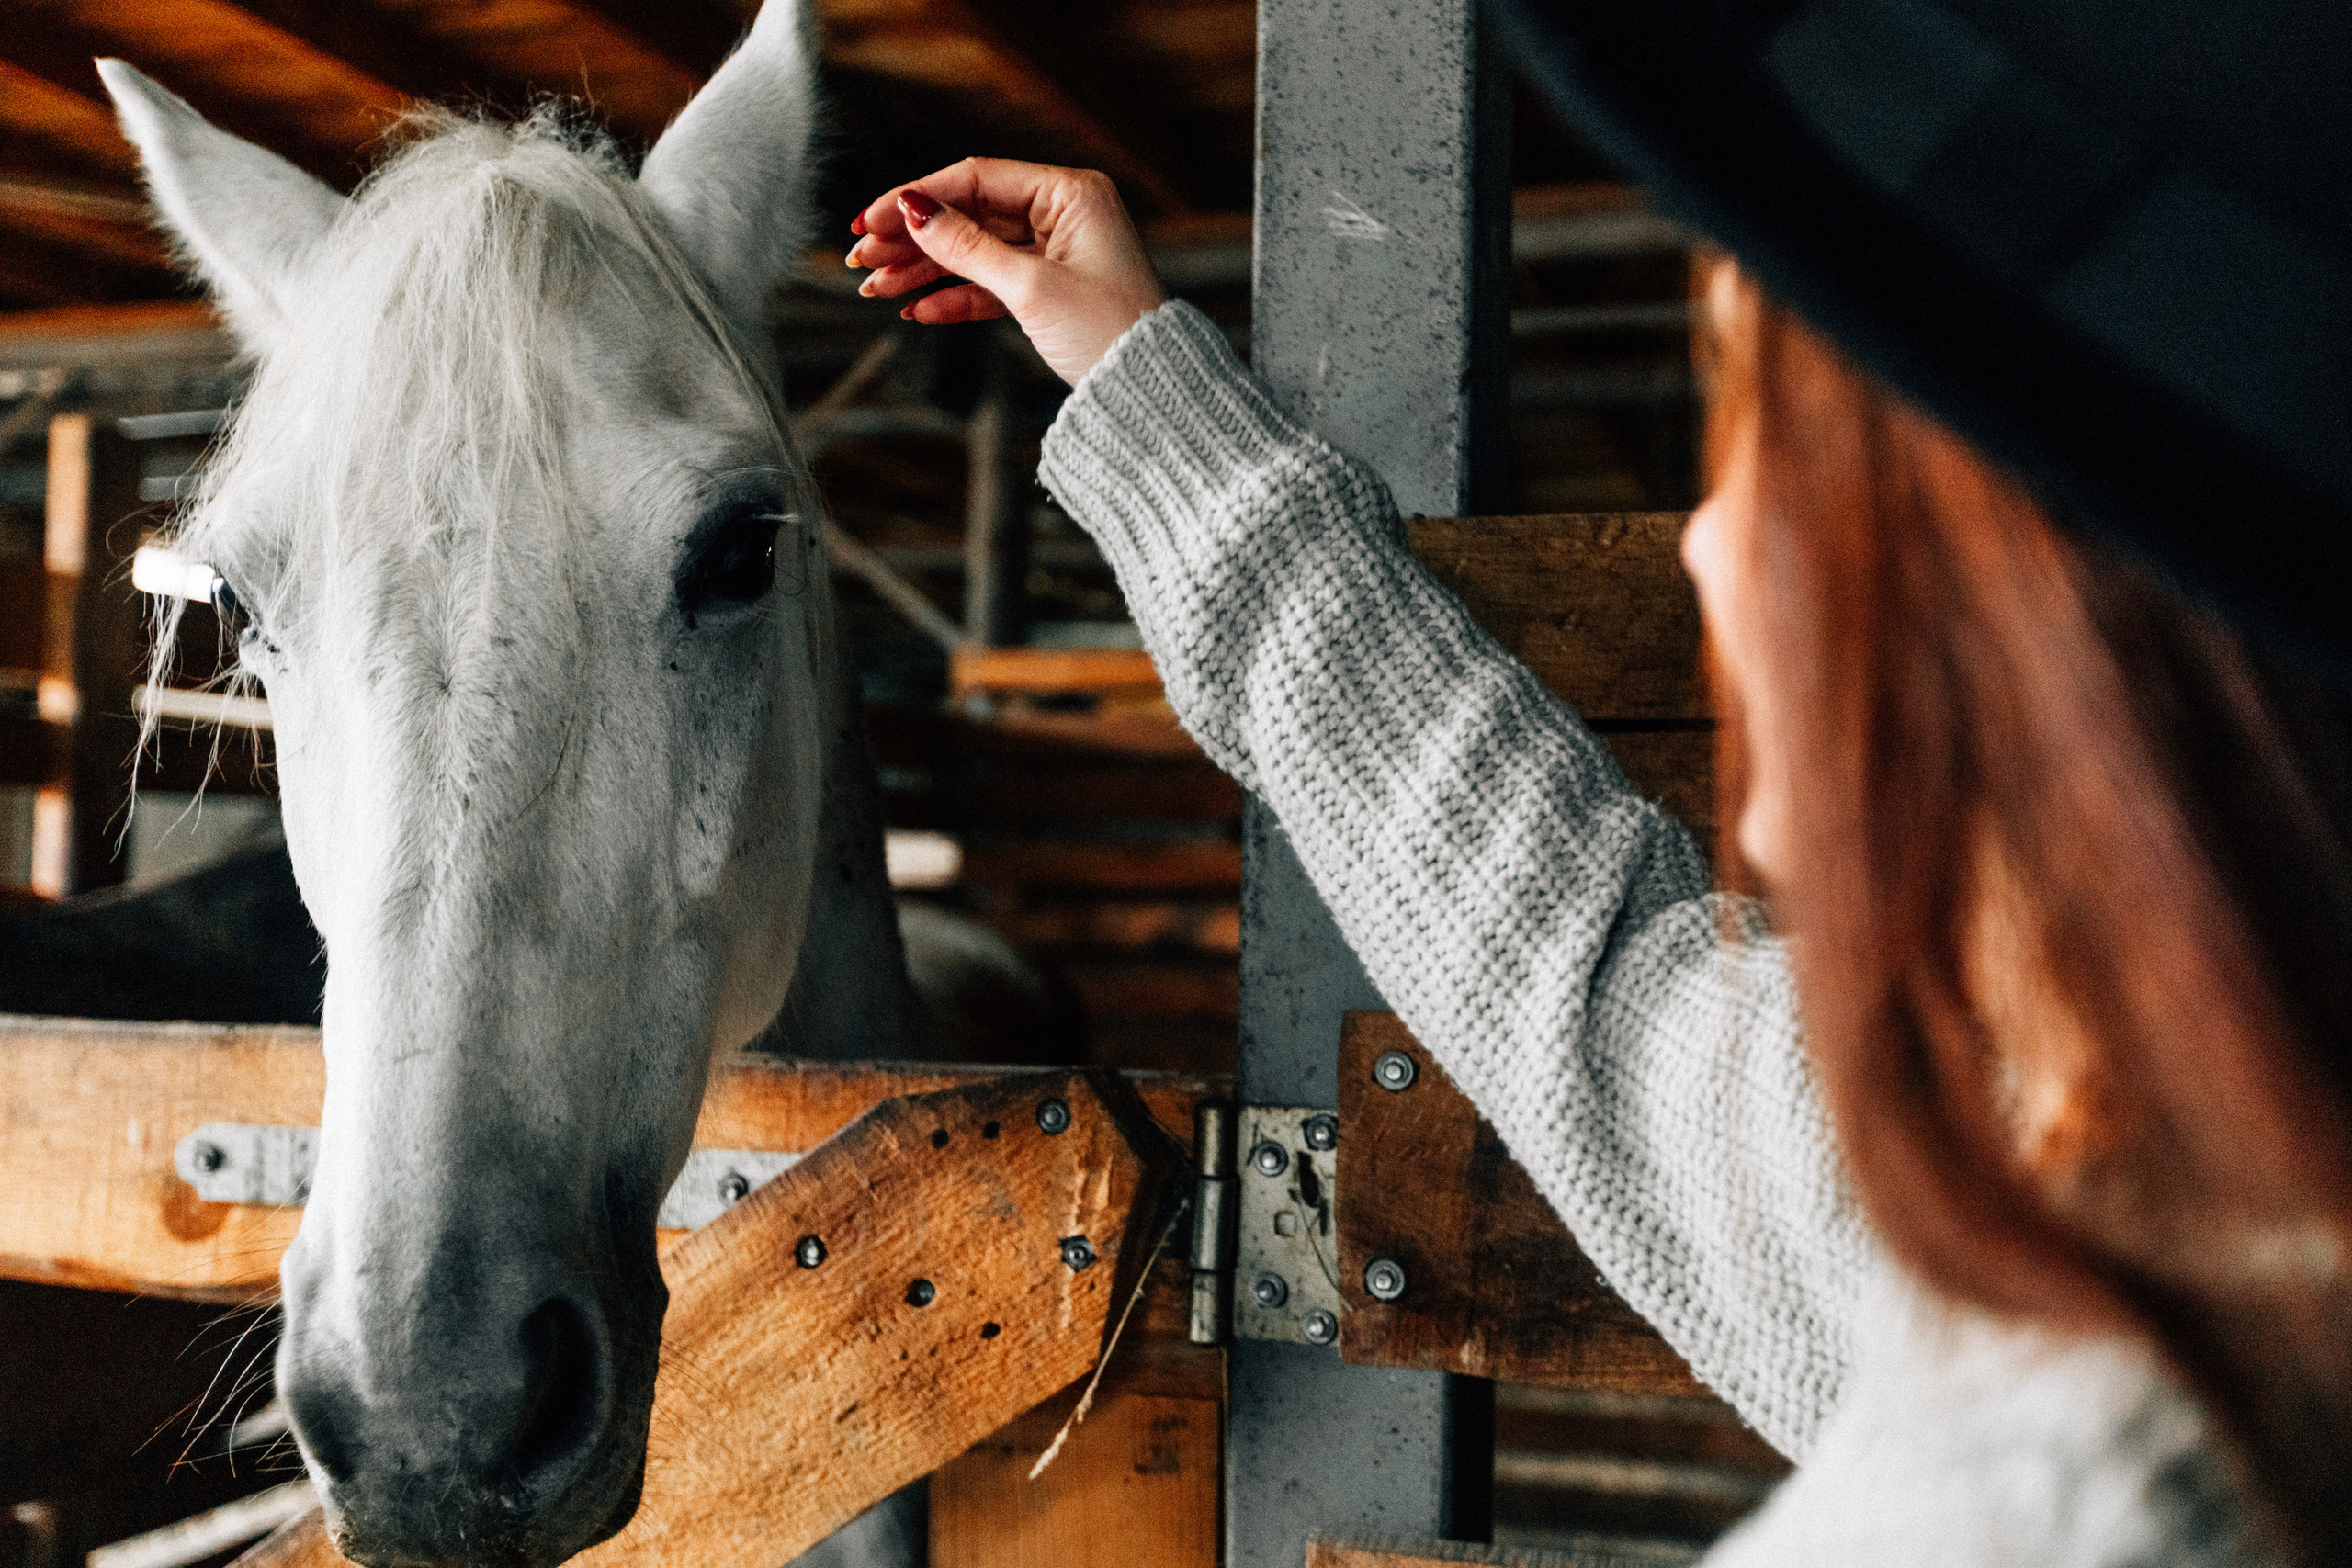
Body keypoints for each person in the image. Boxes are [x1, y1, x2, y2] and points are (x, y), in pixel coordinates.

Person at [843, 6, 2352, 1562]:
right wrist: (1142, 381)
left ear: (2025, 613)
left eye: (1774, 447)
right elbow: (1580, 943)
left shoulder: (2058, 1491)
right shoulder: (2050, 1175)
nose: (1703, 541)